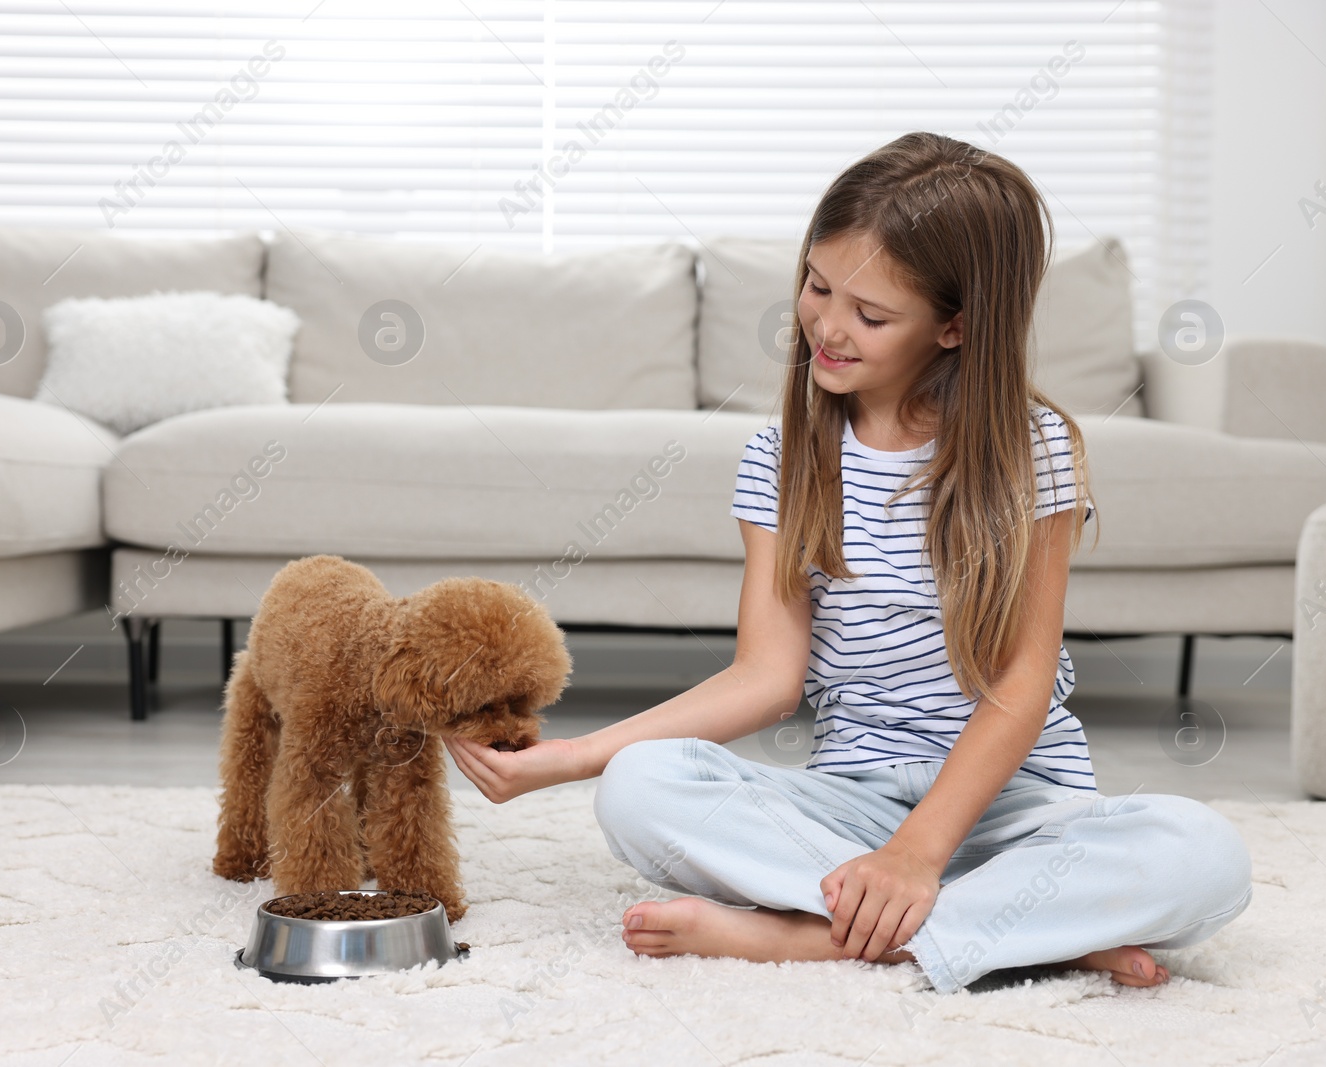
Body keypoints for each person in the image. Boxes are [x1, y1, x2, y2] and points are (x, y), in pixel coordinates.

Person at [444, 131, 1253, 994]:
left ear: (955, 325)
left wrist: (918, 853)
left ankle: (814, 937)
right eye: (817, 286)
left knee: (1207, 857)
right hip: (851, 802)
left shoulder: (1035, 448)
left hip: (1022, 802)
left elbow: (1022, 680)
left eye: (869, 314)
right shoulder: (783, 458)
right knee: (640, 790)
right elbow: (765, 678)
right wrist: (574, 759)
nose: (827, 326)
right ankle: (1018, 930)